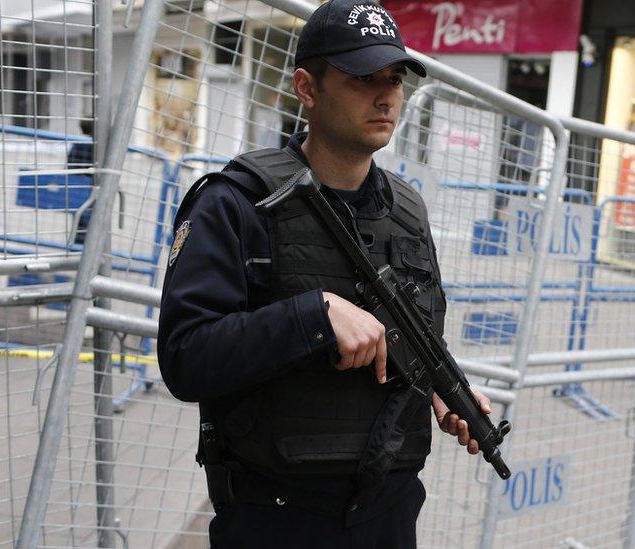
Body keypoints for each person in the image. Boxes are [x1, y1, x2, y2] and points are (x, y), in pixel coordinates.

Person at [157, 2, 491, 546]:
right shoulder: (237, 202)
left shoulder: (408, 212)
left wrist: (438, 384)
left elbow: (417, 328)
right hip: (278, 517)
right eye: (362, 78)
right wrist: (313, 316)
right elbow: (185, 358)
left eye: (395, 79)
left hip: (389, 514)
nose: (386, 96)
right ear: (307, 88)